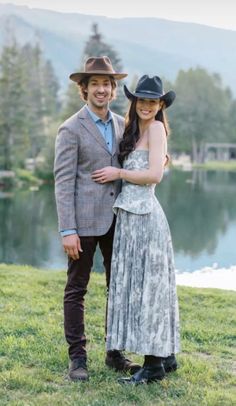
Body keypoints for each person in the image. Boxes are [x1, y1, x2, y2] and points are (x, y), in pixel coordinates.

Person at [54, 56, 141, 381]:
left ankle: (114, 353)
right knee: (77, 289)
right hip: (83, 223)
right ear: (84, 89)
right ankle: (77, 358)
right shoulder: (70, 128)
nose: (102, 89)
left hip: (117, 220)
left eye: (107, 84)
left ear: (113, 89)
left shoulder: (122, 124)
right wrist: (68, 229)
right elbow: (63, 182)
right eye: (95, 85)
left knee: (117, 289)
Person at [91, 75, 180, 385]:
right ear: (134, 102)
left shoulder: (156, 129)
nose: (145, 105)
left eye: (151, 101)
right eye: (141, 100)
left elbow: (155, 174)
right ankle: (166, 356)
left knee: (149, 289)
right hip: (129, 217)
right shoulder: (133, 130)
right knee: (139, 286)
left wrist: (119, 172)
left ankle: (154, 364)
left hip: (145, 216)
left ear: (160, 105)